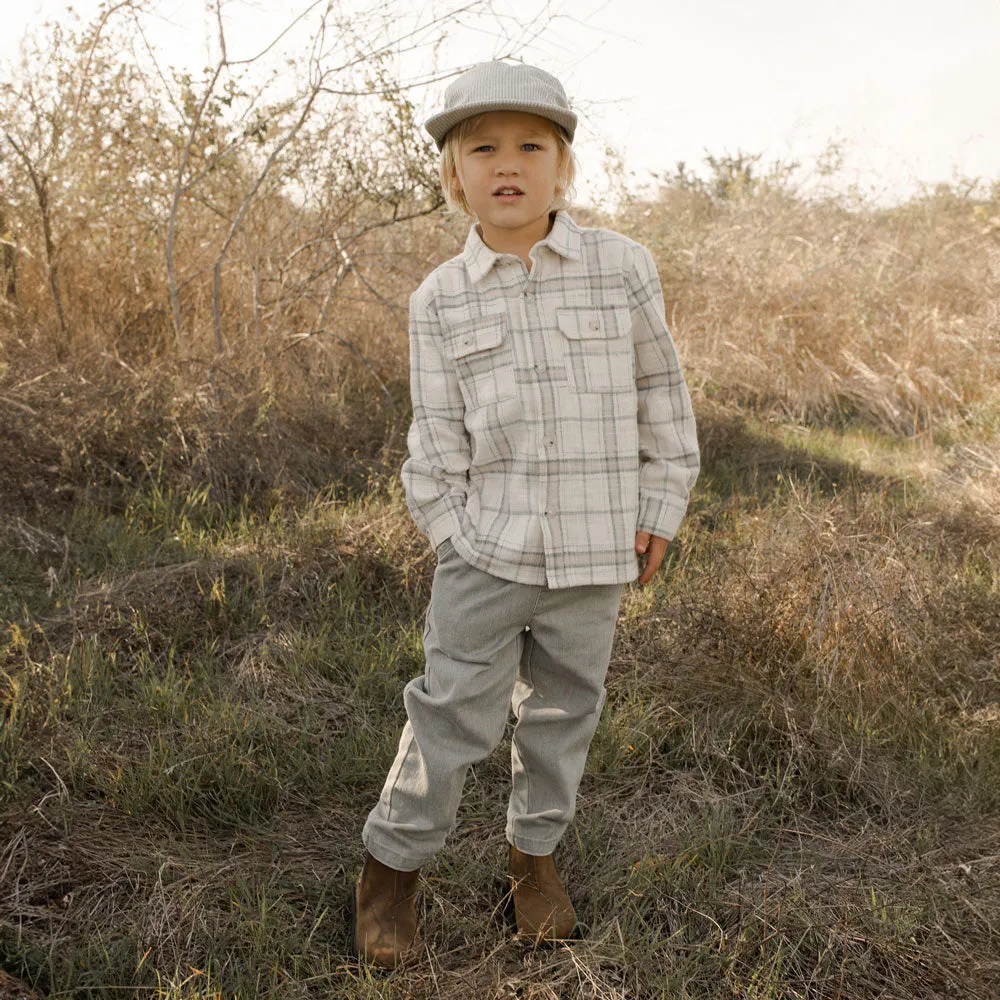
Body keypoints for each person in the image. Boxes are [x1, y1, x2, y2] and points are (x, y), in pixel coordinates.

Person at [351, 60, 700, 968]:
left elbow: (662, 396)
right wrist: (453, 536)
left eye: (531, 146)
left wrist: (659, 504)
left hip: (596, 548)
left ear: (563, 165)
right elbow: (434, 438)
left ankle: (533, 858)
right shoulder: (441, 299)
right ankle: (391, 871)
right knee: (450, 712)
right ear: (454, 174)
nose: (508, 165)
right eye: (484, 148)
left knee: (563, 712)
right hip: (487, 551)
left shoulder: (622, 268)